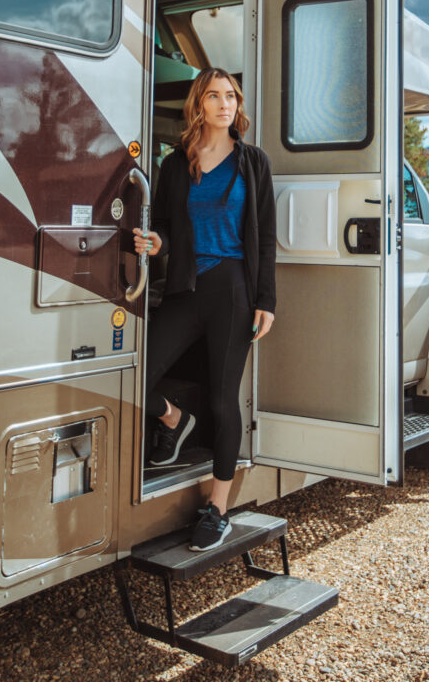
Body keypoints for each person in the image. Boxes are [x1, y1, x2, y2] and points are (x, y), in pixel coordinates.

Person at [133, 67, 275, 552]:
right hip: (186, 287)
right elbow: (169, 224)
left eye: (231, 96)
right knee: (136, 375)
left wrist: (266, 301)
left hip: (232, 290)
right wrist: (158, 242)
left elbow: (266, 237)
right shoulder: (177, 164)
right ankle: (174, 419)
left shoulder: (253, 162)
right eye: (214, 96)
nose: (224, 104)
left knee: (221, 400)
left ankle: (218, 510)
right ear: (199, 104)